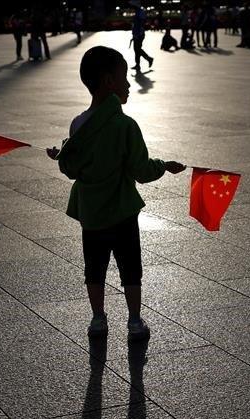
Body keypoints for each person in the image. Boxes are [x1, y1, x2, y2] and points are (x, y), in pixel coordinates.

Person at [47, 46, 185, 340]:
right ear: (109, 81)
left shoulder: (78, 124)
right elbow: (141, 170)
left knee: (94, 268)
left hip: (92, 214)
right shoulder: (125, 125)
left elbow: (71, 168)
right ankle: (134, 321)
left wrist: (63, 153)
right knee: (130, 267)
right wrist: (165, 166)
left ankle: (98, 319)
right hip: (122, 211)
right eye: (124, 79)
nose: (129, 85)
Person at [131, 3, 154, 70]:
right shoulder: (138, 12)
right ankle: (138, 64)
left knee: (137, 49)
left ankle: (148, 59)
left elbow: (140, 24)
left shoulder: (140, 12)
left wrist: (137, 34)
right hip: (137, 34)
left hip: (139, 34)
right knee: (137, 49)